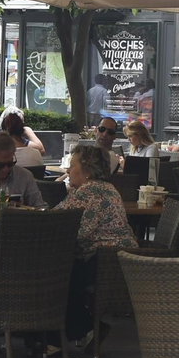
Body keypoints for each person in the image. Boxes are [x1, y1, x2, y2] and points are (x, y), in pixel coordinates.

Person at [56, 143, 138, 346]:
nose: (68, 170)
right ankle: (78, 331)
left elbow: (63, 226)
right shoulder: (107, 188)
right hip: (123, 259)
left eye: (72, 165)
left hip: (104, 261)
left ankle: (84, 328)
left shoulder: (89, 191)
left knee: (58, 277)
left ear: (86, 169)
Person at [60, 116, 125, 176]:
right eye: (102, 129)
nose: (105, 134)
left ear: (114, 136)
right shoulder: (90, 152)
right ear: (96, 131)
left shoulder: (109, 157)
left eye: (110, 132)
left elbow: (88, 179)